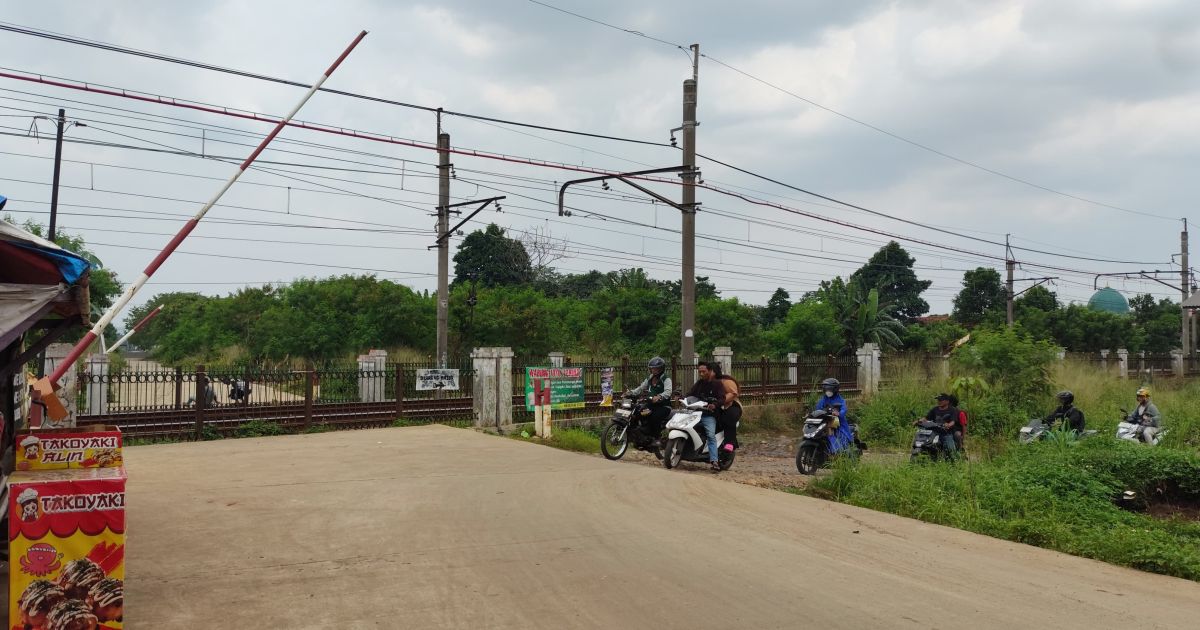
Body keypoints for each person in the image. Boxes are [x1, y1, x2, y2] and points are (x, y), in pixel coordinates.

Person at [686, 362, 727, 472]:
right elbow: (690, 393)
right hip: (695, 413)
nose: (701, 374)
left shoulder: (717, 384)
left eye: (704, 371)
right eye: (700, 372)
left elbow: (722, 399)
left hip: (709, 415)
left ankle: (714, 461)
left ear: (709, 371)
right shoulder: (699, 383)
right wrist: (682, 397)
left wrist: (714, 405)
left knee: (710, 435)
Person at [627, 357, 673, 440]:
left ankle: (656, 438)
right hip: (651, 405)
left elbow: (668, 392)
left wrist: (660, 396)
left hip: (663, 407)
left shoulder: (666, 379)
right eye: (652, 368)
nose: (653, 370)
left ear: (661, 369)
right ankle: (641, 432)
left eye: (656, 368)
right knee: (638, 412)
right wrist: (631, 393)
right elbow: (641, 388)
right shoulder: (650, 378)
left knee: (654, 416)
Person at [815, 377, 855, 453]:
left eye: (829, 389)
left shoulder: (841, 400)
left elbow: (844, 410)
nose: (828, 391)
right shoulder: (824, 399)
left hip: (839, 424)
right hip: (825, 422)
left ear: (835, 389)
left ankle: (842, 454)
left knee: (842, 440)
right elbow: (818, 408)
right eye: (826, 389)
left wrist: (838, 413)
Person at [915, 394, 960, 458]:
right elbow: (926, 418)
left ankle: (957, 461)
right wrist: (918, 421)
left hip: (946, 433)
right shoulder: (935, 409)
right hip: (934, 433)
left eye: (941, 400)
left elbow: (953, 421)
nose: (939, 401)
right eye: (938, 400)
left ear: (947, 401)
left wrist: (948, 425)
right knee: (924, 444)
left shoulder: (952, 410)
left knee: (951, 450)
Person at [713, 364, 741, 453]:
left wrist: (721, 401)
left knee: (728, 417)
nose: (702, 374)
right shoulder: (703, 383)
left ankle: (730, 443)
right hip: (713, 406)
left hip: (731, 406)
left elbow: (733, 393)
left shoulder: (726, 382)